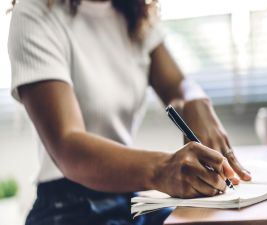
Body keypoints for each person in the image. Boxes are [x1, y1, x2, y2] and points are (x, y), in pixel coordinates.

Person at [8, 0, 252, 224]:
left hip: (128, 197)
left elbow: (177, 85)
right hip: (66, 207)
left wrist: (196, 101)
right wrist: (162, 168)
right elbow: (66, 144)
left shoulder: (133, 13)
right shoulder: (35, 12)